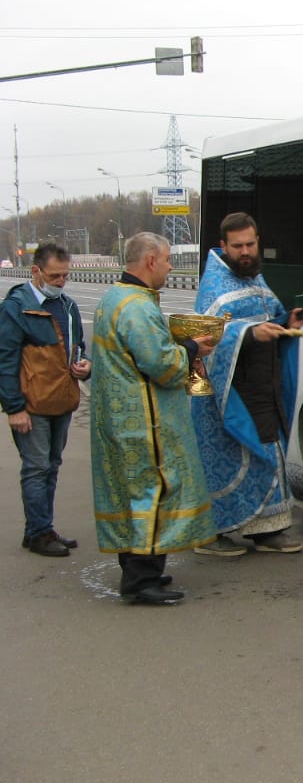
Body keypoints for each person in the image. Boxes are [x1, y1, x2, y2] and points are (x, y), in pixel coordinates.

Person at [91, 232, 218, 603]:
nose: (169, 267)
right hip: (144, 424)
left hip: (120, 418)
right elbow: (162, 364)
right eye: (166, 261)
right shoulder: (137, 307)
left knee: (132, 496)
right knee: (154, 491)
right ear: (150, 261)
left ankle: (139, 571)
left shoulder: (115, 297)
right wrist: (193, 347)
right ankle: (140, 580)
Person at [192, 212, 303, 556]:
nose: (245, 251)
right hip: (226, 390)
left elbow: (266, 318)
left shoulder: (254, 278)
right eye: (238, 246)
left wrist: (287, 322)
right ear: (223, 246)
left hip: (261, 384)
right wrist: (247, 332)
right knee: (227, 459)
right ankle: (211, 534)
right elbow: (202, 337)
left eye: (250, 244)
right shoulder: (215, 286)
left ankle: (267, 529)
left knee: (266, 451)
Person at [0, 242, 92, 557]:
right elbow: (5, 360)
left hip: (62, 400)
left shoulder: (67, 306)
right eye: (54, 276)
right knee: (37, 467)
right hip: (32, 404)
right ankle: (39, 533)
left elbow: (79, 346)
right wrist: (14, 408)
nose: (61, 282)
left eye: (65, 276)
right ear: (36, 271)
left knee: (51, 465)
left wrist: (85, 366)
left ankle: (41, 529)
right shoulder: (15, 307)